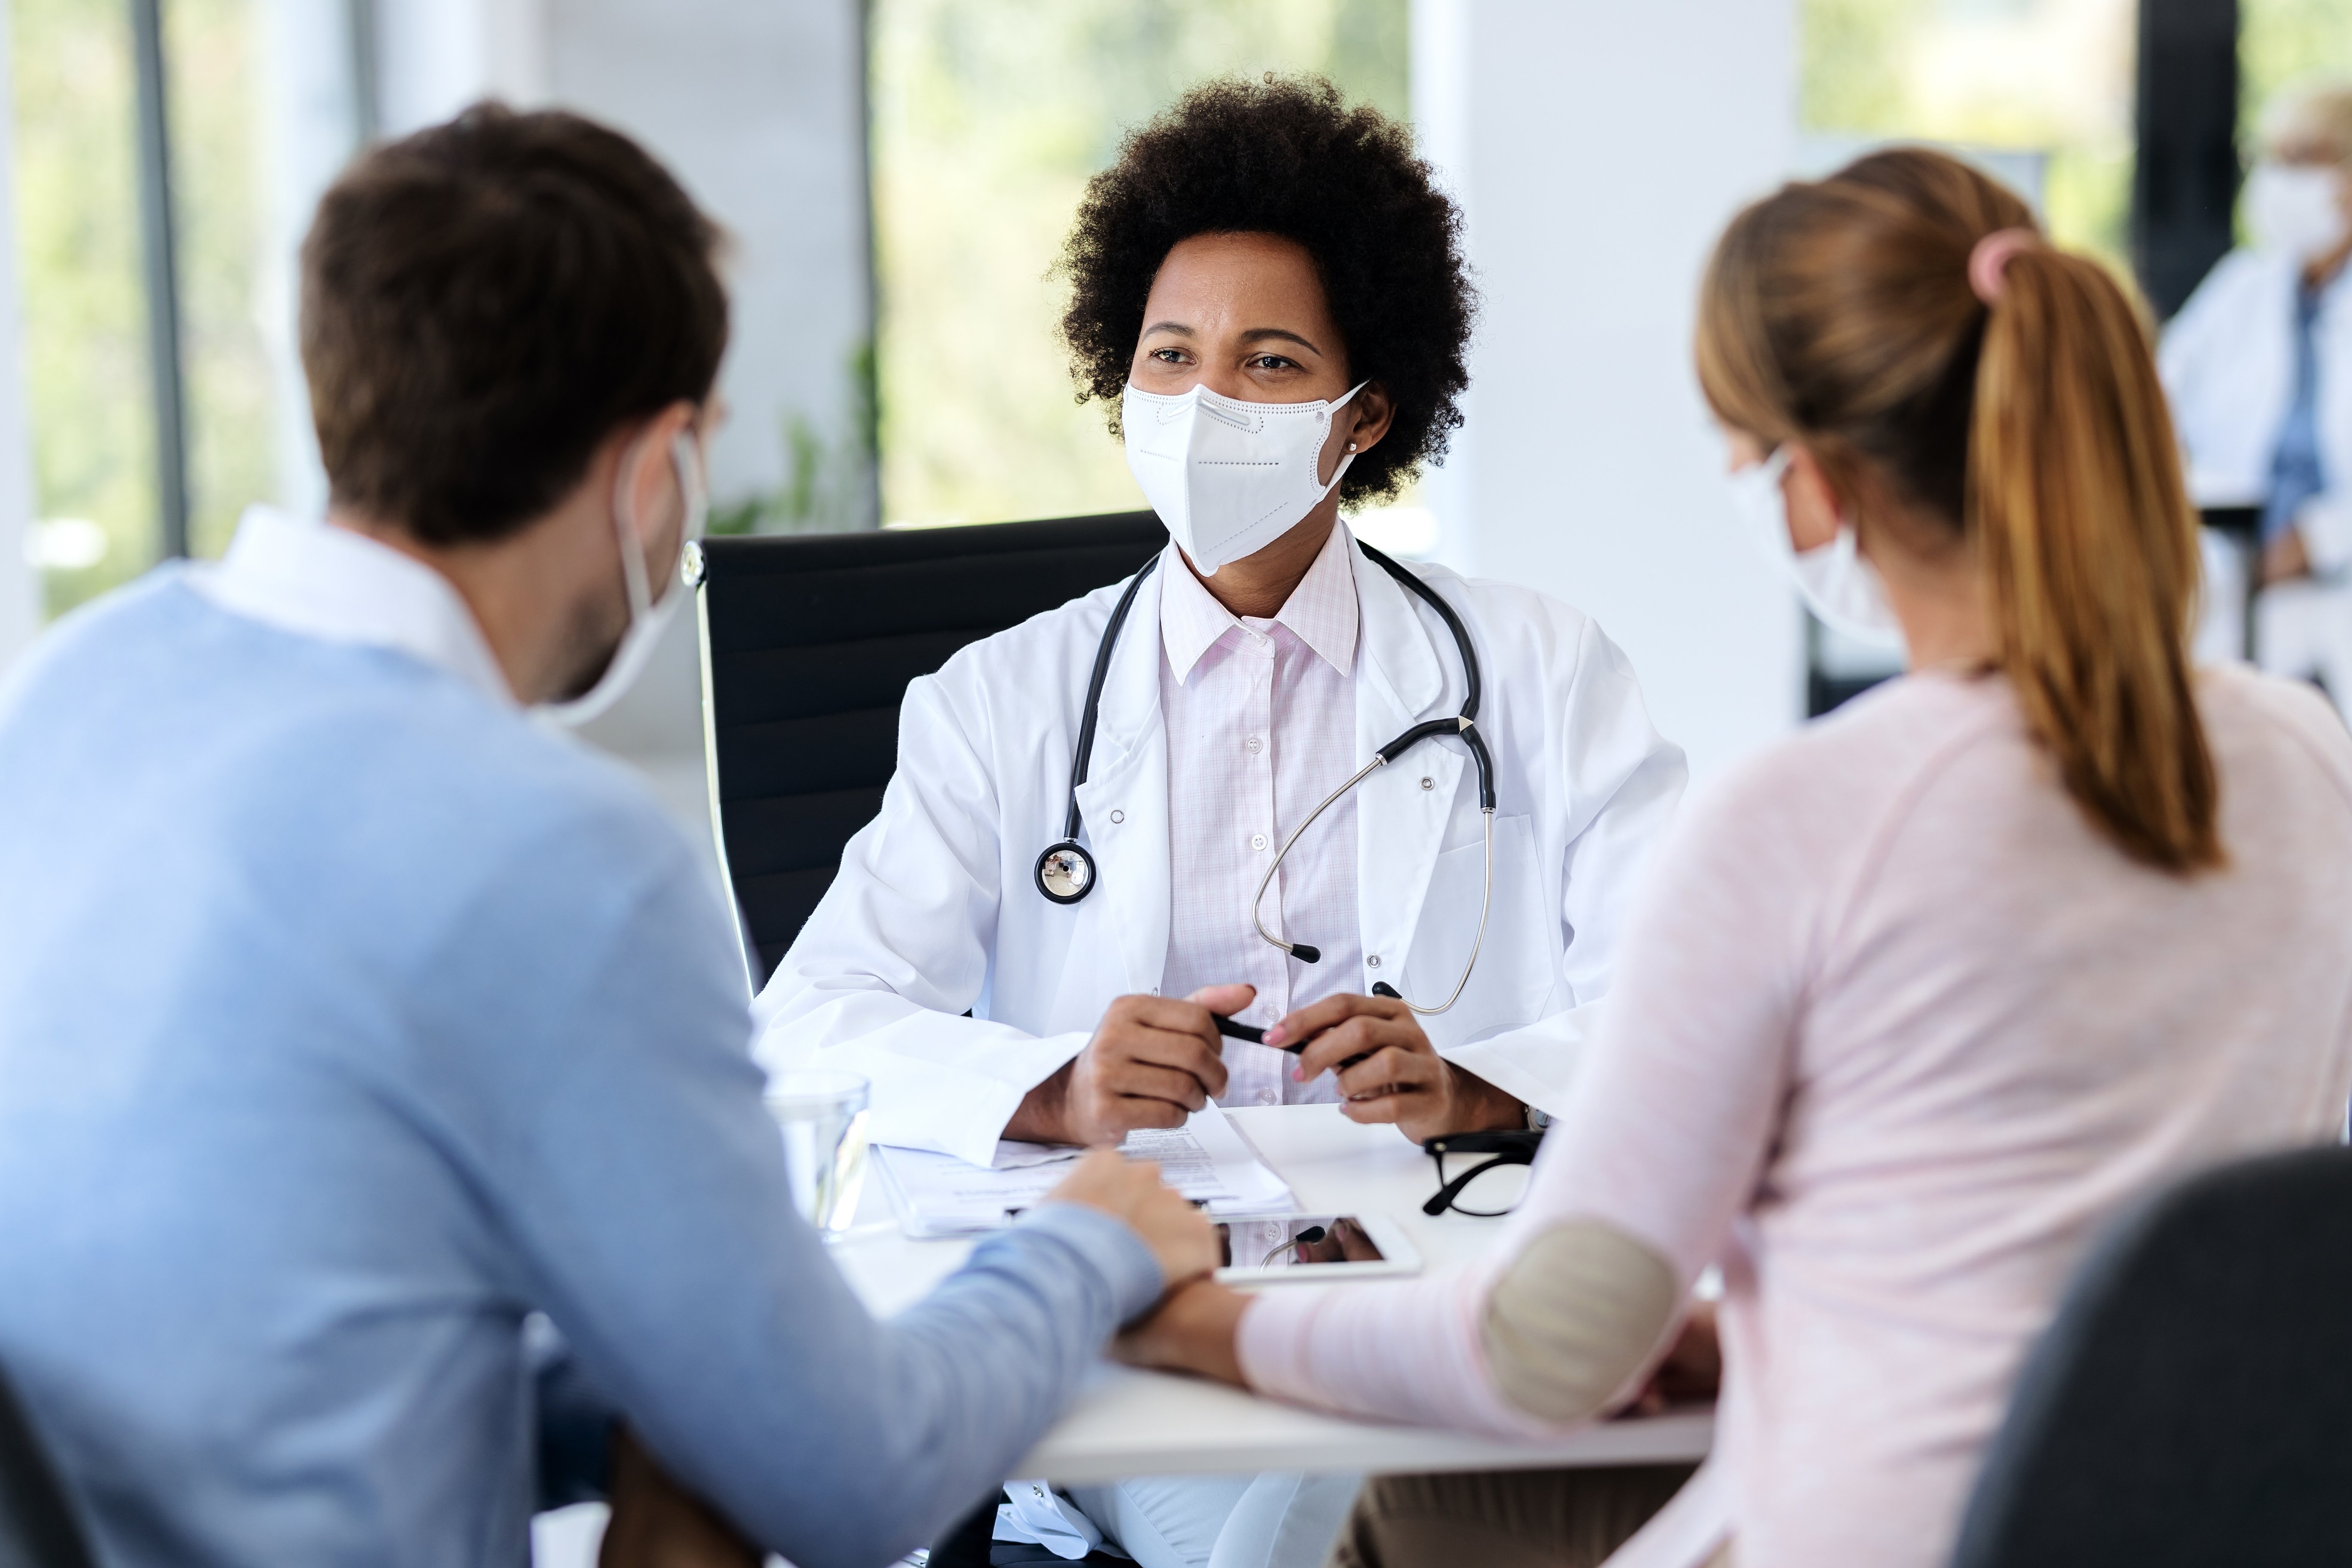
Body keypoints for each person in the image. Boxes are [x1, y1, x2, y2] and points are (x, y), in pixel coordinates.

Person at [0, 105, 1218, 1568]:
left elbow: (252, 1339)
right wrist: (1087, 1241)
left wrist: (693, 1368)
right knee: (710, 1494)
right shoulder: (552, 852)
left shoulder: (76, 682)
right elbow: (856, 1481)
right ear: (653, 471)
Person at [1117, 148, 2352, 1568]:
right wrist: (1756, 1324)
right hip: (2201, 1517)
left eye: (1739, 453)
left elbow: (1541, 1345)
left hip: (1887, 1530)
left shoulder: (1812, 820)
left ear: (1813, 490)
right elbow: (2064, 1249)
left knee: (1366, 1525)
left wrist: (1176, 1314)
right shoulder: (2308, 756)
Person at [754, 75, 1685, 1568]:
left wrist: (1483, 1083)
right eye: (1169, 358)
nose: (1202, 405)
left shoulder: (1539, 669)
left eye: (1266, 362)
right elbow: (811, 1020)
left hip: (1446, 1276)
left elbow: (1682, 1002)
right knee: (1327, 1518)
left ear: (1362, 411)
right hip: (1152, 1316)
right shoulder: (1000, 702)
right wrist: (1056, 1083)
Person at [2162, 80, 2352, 699]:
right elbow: (2154, 401)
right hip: (2235, 564)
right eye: (2273, 159)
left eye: (2304, 159)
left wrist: (2315, 541)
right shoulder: (2246, 286)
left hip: (2331, 579)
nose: (2279, 180)